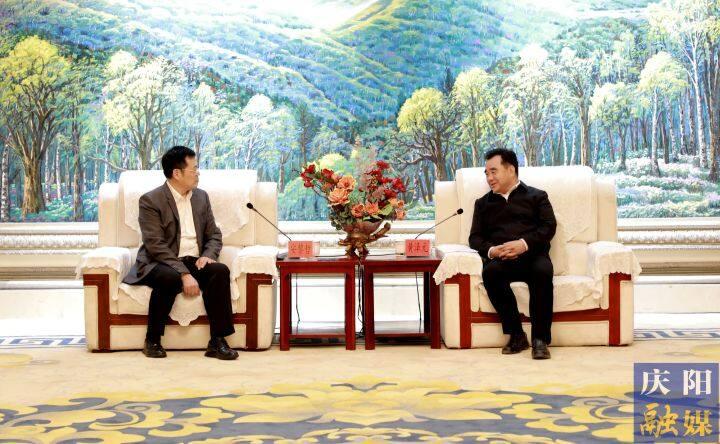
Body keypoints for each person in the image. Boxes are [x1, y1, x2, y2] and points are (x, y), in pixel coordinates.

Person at [123, 146, 238, 360]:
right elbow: (155, 245)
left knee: (220, 271)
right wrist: (184, 273)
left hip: (195, 260)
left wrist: (208, 255)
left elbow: (214, 234)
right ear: (177, 173)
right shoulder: (151, 200)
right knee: (170, 277)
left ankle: (217, 341)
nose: (198, 173)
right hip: (160, 261)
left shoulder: (201, 197)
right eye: (194, 169)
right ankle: (152, 339)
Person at [469, 148, 557, 359]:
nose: (489, 178)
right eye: (487, 173)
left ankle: (540, 339)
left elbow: (549, 227)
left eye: (494, 171)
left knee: (543, 271)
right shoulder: (483, 204)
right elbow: (475, 238)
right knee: (491, 273)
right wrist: (493, 250)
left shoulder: (537, 196)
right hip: (501, 261)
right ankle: (516, 335)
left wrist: (523, 244)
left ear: (510, 169)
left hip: (533, 256)